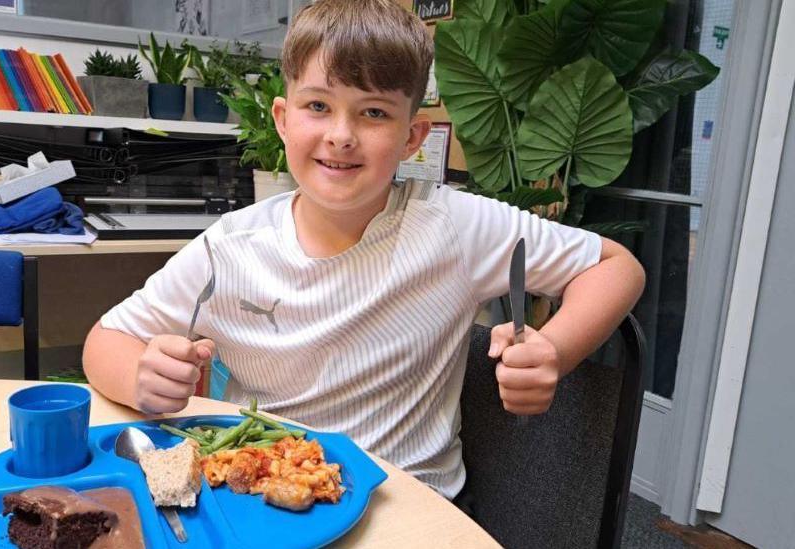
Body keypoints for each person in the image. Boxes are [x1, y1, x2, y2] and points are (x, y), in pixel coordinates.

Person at [83, 0, 645, 503]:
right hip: (260, 499)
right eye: (318, 106)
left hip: (413, 506)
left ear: (411, 137)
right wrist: (140, 373)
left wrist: (555, 349)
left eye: (373, 112)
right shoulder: (230, 247)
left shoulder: (453, 225)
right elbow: (104, 340)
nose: (341, 134)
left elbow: (617, 267)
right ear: (282, 119)